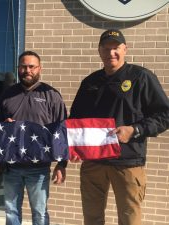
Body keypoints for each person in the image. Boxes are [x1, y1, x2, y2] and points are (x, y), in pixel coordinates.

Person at [69, 29, 169, 225]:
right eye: (106, 48)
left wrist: (135, 130)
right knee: (92, 218)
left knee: (129, 219)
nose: (110, 53)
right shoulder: (90, 82)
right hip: (93, 163)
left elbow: (165, 114)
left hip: (128, 162)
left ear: (125, 49)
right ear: (99, 51)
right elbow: (75, 120)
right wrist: (74, 147)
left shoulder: (141, 77)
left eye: (115, 48)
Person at [0, 50, 68, 225]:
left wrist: (62, 164)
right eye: (23, 67)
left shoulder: (52, 96)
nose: (27, 70)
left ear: (39, 68)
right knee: (11, 212)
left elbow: (62, 133)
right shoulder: (7, 95)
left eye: (31, 67)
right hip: (11, 166)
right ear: (18, 68)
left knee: (39, 214)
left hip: (39, 168)